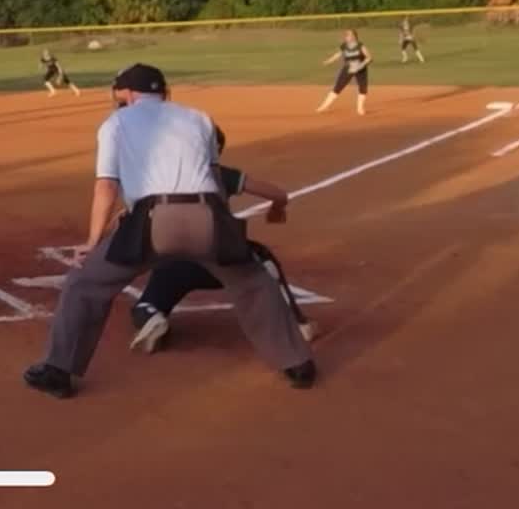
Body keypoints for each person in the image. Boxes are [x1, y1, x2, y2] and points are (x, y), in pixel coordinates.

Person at [22, 63, 315, 399]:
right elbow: (213, 178)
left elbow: (106, 187)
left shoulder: (115, 123)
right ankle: (297, 363)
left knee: (85, 283)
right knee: (254, 283)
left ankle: (58, 371)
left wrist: (92, 241)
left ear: (128, 93)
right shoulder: (199, 118)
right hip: (208, 216)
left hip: (153, 220)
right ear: (163, 91)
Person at [126, 158, 316, 353]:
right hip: (223, 261)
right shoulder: (219, 174)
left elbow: (130, 218)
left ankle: (150, 316)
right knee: (262, 257)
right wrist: (277, 208)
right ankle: (296, 322)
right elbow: (278, 195)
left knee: (147, 302)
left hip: (175, 264)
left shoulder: (160, 179)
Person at [318, 29, 372, 115]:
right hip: (348, 68)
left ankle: (360, 108)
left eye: (348, 35)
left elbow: (369, 58)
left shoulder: (360, 46)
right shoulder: (344, 46)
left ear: (354, 37)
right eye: (346, 35)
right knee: (338, 86)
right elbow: (339, 54)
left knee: (363, 88)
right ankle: (324, 106)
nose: (346, 37)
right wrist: (329, 61)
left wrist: (360, 66)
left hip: (360, 69)